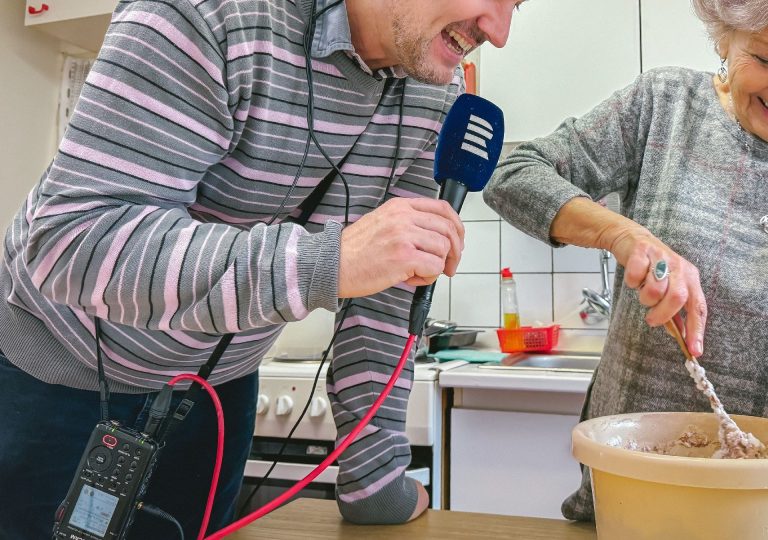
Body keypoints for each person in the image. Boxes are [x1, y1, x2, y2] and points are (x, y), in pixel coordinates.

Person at [0, 0, 524, 538]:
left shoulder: (437, 93)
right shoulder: (210, 13)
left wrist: (374, 475)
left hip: (215, 388)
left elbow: (389, 289)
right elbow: (73, 241)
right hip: (56, 373)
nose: (500, 32)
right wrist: (330, 261)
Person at [484, 0, 768, 537]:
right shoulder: (663, 105)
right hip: (643, 501)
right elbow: (515, 173)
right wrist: (623, 233)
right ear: (725, 35)